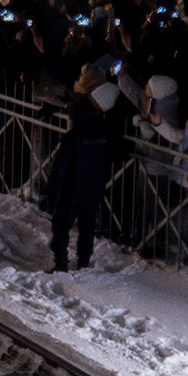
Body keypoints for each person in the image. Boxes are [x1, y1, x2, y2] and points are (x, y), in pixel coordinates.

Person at [48, 66, 122, 271]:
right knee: (87, 224)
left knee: (61, 224)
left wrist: (52, 190)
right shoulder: (107, 121)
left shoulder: (75, 132)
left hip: (74, 183)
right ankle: (83, 262)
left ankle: (61, 264)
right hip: (95, 182)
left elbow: (62, 166)